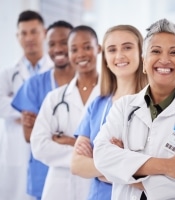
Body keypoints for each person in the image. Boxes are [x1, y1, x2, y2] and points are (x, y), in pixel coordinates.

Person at [93, 18, 175, 200]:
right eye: (156, 51)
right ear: (144, 62)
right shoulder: (124, 107)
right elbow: (102, 157)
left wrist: (124, 172)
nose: (164, 59)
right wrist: (167, 166)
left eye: (174, 52)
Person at [71, 24, 148, 200]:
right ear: (105, 58)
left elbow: (153, 175)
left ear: (141, 53)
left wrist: (100, 162)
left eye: (127, 47)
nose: (119, 55)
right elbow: (77, 164)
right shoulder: (97, 105)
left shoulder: (153, 105)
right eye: (112, 50)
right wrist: (121, 165)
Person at [30, 25, 101, 200]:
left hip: (97, 186)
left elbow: (116, 148)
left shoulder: (112, 95)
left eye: (87, 47)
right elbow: (39, 145)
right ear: (69, 54)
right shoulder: (55, 98)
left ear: (98, 49)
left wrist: (70, 142)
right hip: (59, 189)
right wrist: (87, 156)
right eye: (74, 49)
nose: (81, 54)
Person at [0, 10, 52, 200]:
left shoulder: (55, 72)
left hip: (47, 148)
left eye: (34, 31)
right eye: (23, 33)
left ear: (44, 33)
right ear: (18, 36)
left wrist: (16, 102)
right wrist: (28, 111)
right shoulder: (7, 73)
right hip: (15, 152)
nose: (29, 38)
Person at [11, 20, 75, 200]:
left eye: (64, 42)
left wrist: (53, 136)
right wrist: (74, 141)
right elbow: (30, 136)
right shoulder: (34, 84)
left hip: (82, 174)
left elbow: (96, 140)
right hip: (43, 174)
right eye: (52, 44)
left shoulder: (90, 84)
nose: (58, 49)